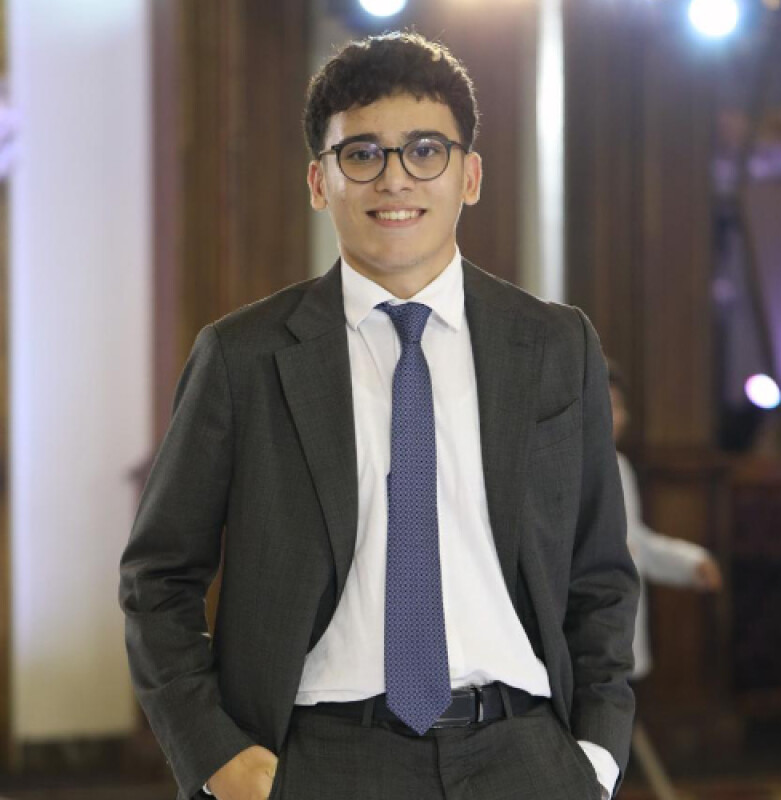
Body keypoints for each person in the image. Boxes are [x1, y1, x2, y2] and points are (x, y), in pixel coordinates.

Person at [119, 32, 638, 800]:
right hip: (320, 760)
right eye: (361, 154)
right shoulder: (243, 357)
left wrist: (597, 755)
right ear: (318, 181)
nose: (395, 177)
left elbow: (600, 574)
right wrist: (219, 757)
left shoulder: (556, 345)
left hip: (527, 754)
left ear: (470, 176)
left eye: (425, 150)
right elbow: (158, 577)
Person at [607, 365, 722, 679]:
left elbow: (635, 544)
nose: (622, 417)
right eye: (612, 406)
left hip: (622, 635)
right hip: (587, 643)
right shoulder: (565, 473)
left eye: (620, 406)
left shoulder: (619, 466)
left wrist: (691, 562)